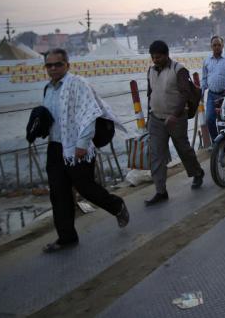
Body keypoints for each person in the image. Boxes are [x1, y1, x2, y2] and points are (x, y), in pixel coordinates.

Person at [41, 48, 128, 252]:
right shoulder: (48, 89)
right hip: (55, 147)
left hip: (77, 146)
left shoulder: (77, 84)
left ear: (67, 65)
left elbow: (89, 113)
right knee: (58, 193)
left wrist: (81, 144)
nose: (53, 68)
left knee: (86, 188)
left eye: (58, 64)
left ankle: (117, 206)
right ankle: (66, 237)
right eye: (49, 65)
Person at [145, 41, 205, 205]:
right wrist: (147, 116)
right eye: (153, 57)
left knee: (183, 149)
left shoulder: (178, 70)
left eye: (158, 57)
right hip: (156, 119)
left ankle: (197, 172)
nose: (155, 60)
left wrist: (175, 115)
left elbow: (185, 94)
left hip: (176, 118)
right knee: (156, 154)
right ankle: (161, 191)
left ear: (166, 55)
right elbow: (150, 94)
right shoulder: (150, 70)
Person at [201, 36, 225, 141]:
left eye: (219, 45)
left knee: (224, 121)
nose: (217, 47)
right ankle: (215, 142)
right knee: (209, 119)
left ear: (223, 45)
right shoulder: (207, 60)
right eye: (214, 45)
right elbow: (204, 78)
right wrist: (201, 92)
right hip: (211, 95)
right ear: (211, 46)